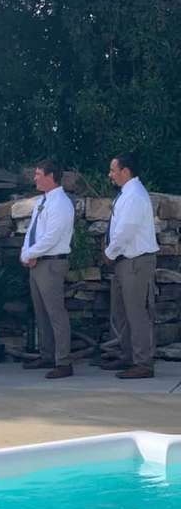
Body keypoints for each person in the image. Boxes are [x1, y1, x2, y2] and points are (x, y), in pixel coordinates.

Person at [101, 153, 159, 379]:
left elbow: (126, 231)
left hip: (134, 261)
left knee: (136, 313)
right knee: (123, 312)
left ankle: (143, 363)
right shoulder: (128, 193)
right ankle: (128, 357)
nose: (110, 175)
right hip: (125, 261)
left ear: (125, 171)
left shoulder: (134, 195)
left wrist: (108, 252)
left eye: (113, 170)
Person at [20, 159, 75, 379]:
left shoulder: (61, 203)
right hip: (39, 261)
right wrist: (28, 253)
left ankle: (63, 361)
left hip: (51, 262)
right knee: (41, 312)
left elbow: (52, 236)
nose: (35, 178)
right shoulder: (44, 201)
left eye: (38, 174)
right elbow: (32, 231)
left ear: (51, 176)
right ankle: (47, 354)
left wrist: (30, 254)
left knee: (55, 313)